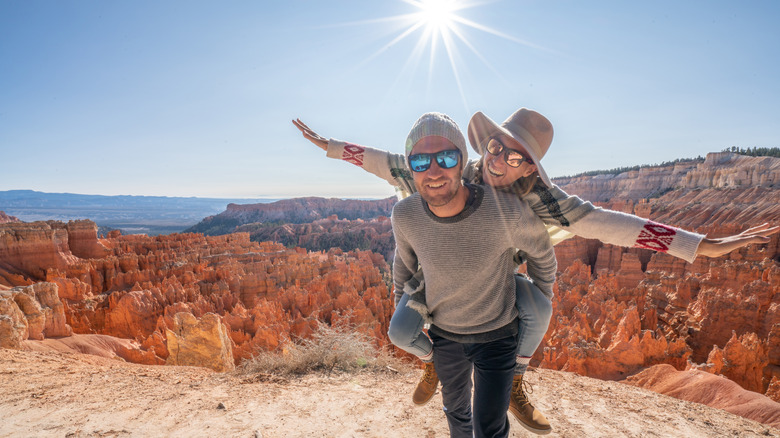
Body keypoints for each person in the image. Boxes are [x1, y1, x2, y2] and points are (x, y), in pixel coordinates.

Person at [293, 109, 778, 435]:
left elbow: (617, 226)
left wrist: (706, 246)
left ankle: (516, 379)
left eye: (516, 156)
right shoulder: (449, 170)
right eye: (498, 149)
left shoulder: (542, 199)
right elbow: (385, 162)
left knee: (537, 306)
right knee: (408, 335)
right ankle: (434, 363)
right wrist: (329, 146)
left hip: (500, 277)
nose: (501, 161)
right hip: (441, 276)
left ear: (529, 168)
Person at [392, 112, 556, 437]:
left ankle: (516, 382)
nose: (434, 171)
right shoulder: (405, 214)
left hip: (498, 337)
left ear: (463, 161)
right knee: (456, 416)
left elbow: (543, 255)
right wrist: (408, 310)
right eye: (421, 161)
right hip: (444, 337)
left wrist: (538, 298)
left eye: (447, 157)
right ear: (410, 167)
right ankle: (430, 366)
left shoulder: (507, 210)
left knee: (490, 427)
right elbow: (405, 268)